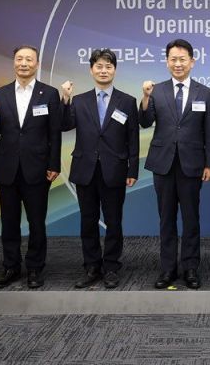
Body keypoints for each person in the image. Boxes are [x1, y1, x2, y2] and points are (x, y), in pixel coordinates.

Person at [140, 38, 210, 290]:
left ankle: (190, 268)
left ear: (192, 62)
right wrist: (145, 97)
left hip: (192, 164)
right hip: (163, 164)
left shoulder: (204, 92)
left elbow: (209, 132)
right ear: (167, 62)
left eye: (182, 59)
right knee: (166, 219)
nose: (178, 63)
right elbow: (145, 121)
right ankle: (168, 269)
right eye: (173, 59)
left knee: (191, 218)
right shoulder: (157, 90)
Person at [0, 45, 63, 289]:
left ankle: (35, 268)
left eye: (29, 59)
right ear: (14, 63)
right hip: (7, 167)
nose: (24, 63)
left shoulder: (49, 94)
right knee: (9, 222)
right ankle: (11, 266)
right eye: (19, 59)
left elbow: (54, 132)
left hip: (38, 167)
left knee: (37, 222)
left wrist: (54, 163)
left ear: (37, 64)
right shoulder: (0, 94)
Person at [61, 49, 140, 289]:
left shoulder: (127, 101)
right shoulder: (79, 100)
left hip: (115, 169)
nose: (103, 71)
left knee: (114, 221)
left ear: (114, 70)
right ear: (91, 70)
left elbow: (133, 138)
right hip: (85, 169)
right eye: (99, 66)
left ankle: (112, 267)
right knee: (88, 221)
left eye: (108, 66)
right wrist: (65, 99)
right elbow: (65, 125)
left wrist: (133, 170)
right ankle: (92, 266)